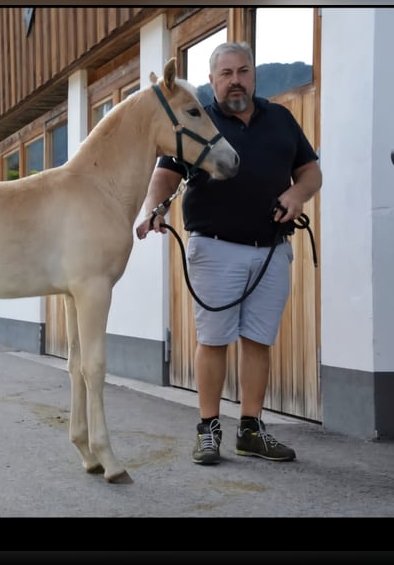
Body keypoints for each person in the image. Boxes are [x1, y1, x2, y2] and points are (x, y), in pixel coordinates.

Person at [136, 41, 322, 465]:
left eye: (242, 71)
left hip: (272, 250)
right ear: (212, 79)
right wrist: (154, 210)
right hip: (215, 248)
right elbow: (164, 177)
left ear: (253, 75)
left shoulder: (281, 119)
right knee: (214, 340)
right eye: (226, 73)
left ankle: (251, 431)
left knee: (258, 341)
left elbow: (310, 170)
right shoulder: (199, 119)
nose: (235, 80)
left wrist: (296, 194)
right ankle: (208, 430)